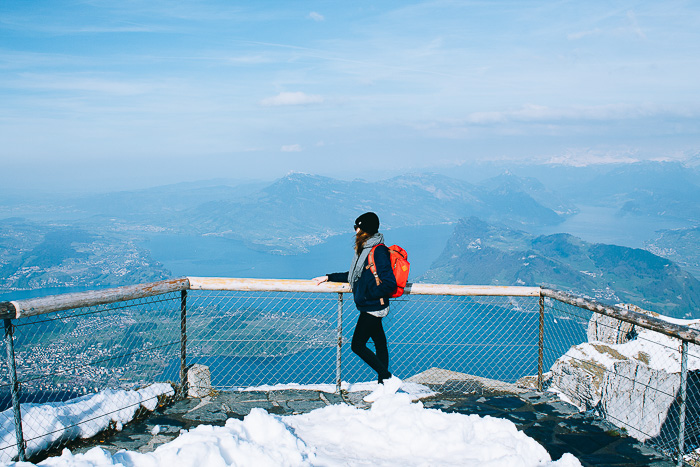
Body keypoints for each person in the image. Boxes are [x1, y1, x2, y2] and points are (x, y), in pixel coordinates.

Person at [313, 212, 402, 402]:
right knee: (379, 343)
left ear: (365, 230)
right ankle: (383, 387)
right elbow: (354, 275)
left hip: (373, 306)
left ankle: (388, 379)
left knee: (357, 345)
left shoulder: (378, 251)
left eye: (358, 227)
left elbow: (389, 283)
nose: (355, 230)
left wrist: (368, 294)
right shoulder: (365, 250)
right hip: (369, 305)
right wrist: (328, 277)